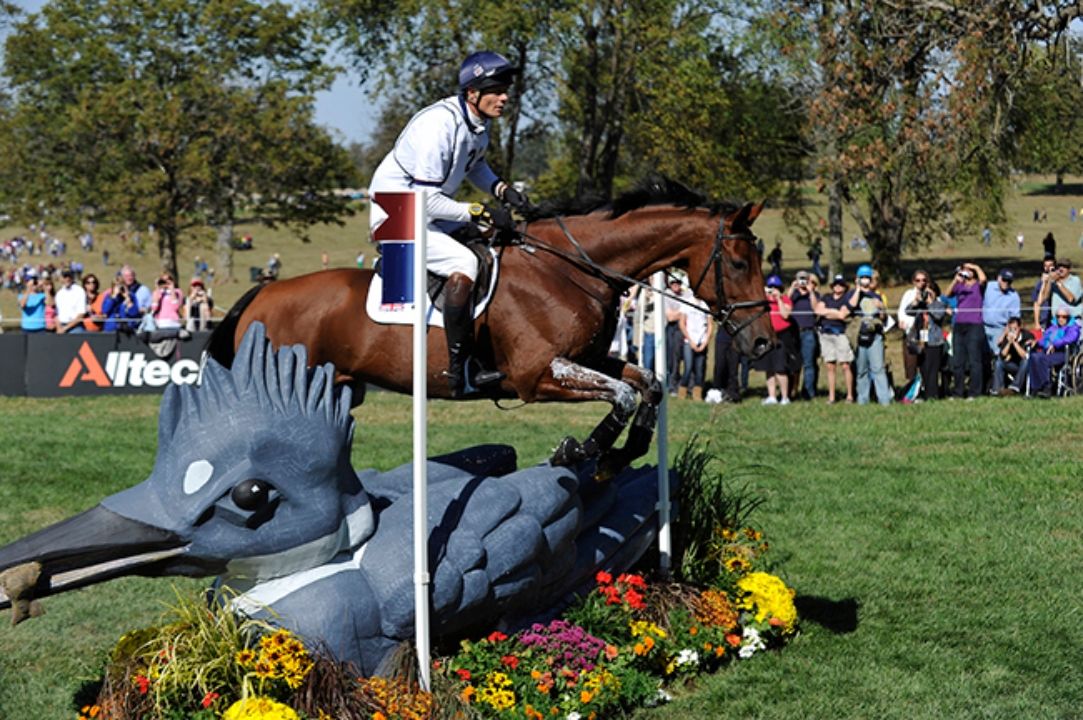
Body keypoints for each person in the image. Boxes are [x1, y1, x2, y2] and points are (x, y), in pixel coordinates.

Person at [368, 51, 532, 397]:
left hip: (420, 210)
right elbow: (427, 202)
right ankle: (460, 369)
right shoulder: (438, 127)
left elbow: (474, 166)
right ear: (473, 93)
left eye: (506, 90)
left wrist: (502, 190)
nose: (505, 97)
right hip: (396, 214)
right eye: (497, 90)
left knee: (494, 244)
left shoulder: (475, 123)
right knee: (465, 262)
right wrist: (480, 211)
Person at [847, 264, 891, 405]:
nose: (865, 280)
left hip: (875, 336)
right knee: (861, 370)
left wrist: (881, 308)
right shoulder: (853, 294)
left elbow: (884, 318)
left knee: (878, 369)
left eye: (867, 278)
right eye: (862, 278)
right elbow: (851, 306)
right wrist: (858, 289)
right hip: (859, 336)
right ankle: (862, 400)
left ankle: (884, 400)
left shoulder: (877, 295)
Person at [946, 262, 986, 399]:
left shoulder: (978, 285)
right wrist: (955, 279)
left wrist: (975, 267)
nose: (966, 272)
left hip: (974, 325)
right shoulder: (960, 285)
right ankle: (958, 392)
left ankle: (974, 392)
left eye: (968, 270)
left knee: (974, 360)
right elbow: (947, 294)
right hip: (959, 324)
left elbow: (983, 279)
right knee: (958, 360)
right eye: (964, 269)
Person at [903, 279, 949, 400]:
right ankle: (925, 393)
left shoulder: (939, 305)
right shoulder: (921, 305)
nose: (927, 294)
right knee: (923, 369)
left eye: (930, 291)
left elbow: (938, 315)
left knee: (933, 370)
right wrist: (916, 301)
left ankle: (932, 395)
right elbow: (908, 311)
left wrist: (930, 302)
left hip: (935, 342)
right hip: (922, 342)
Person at [814, 274, 855, 404]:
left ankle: (850, 395)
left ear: (845, 287)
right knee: (830, 366)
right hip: (825, 334)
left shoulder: (846, 299)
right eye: (836, 284)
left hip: (840, 334)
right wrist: (834, 313)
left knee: (845, 365)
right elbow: (818, 310)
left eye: (841, 284)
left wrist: (827, 312)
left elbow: (842, 315)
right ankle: (831, 397)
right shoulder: (826, 297)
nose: (838, 287)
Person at [756, 274, 794, 405]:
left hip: (781, 336)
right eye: (770, 287)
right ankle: (771, 396)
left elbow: (785, 315)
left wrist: (778, 300)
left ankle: (784, 397)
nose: (773, 289)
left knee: (780, 368)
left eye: (776, 287)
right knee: (769, 367)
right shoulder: (764, 300)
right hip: (766, 336)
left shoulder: (785, 300)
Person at [1026, 309, 1080, 398]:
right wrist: (1037, 342)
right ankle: (1035, 388)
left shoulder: (1073, 328)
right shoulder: (1052, 328)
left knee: (1042, 359)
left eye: (1064, 317)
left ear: (1068, 318)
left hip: (1063, 353)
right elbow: (1044, 340)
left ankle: (1046, 387)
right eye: (1058, 316)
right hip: (1048, 352)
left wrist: (1055, 344)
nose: (1060, 319)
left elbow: (1070, 339)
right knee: (1034, 357)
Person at [788, 270, 820, 399]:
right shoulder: (794, 294)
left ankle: (808, 392)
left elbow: (816, 309)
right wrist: (791, 288)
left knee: (809, 363)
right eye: (800, 279)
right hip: (794, 332)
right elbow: (785, 303)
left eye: (805, 279)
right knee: (794, 364)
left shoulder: (814, 294)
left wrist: (810, 291)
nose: (802, 282)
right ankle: (792, 390)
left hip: (808, 332)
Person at [896, 270, 930, 384]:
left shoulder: (930, 293)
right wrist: (902, 322)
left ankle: (925, 389)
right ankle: (912, 391)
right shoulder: (909, 294)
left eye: (924, 280)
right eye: (918, 280)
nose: (921, 283)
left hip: (925, 332)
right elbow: (902, 310)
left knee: (924, 362)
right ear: (913, 282)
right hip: (911, 333)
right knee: (911, 364)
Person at [676, 296, 712, 401]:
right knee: (688, 367)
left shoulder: (705, 305)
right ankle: (682, 391)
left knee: (700, 369)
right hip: (689, 341)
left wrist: (705, 342)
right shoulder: (687, 302)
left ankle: (697, 394)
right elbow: (682, 323)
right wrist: (690, 340)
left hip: (702, 341)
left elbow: (710, 325)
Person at [982, 268, 1020, 356]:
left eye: (1009, 281)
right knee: (982, 355)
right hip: (984, 327)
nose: (1006, 283)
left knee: (997, 355)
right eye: (1004, 280)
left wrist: (1004, 334)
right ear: (999, 278)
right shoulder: (989, 287)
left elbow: (1014, 320)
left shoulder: (1014, 296)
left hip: (1000, 329)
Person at [993, 317, 1033, 396]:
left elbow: (1025, 356)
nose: (1013, 331)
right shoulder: (1007, 337)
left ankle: (1014, 387)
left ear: (1019, 328)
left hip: (1025, 366)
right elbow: (1003, 355)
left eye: (1015, 329)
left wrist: (1015, 343)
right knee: (999, 363)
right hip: (1013, 365)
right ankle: (998, 389)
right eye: (1011, 329)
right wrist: (1009, 343)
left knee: (1025, 361)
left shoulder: (1027, 335)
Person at [663, 274, 688, 395]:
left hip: (687, 328)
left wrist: (680, 314)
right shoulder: (667, 294)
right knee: (673, 358)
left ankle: (687, 384)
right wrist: (684, 312)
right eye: (673, 283)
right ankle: (672, 385)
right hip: (673, 329)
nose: (675, 285)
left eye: (677, 282)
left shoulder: (686, 294)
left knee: (687, 357)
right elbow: (670, 317)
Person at [1038, 258, 1082, 322]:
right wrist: (1048, 281)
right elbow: (1045, 297)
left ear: (1069, 269)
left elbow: (1071, 299)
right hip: (1057, 320)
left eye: (1064, 267)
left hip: (1073, 320)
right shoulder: (1053, 282)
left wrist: (1058, 281)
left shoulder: (1075, 280)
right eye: (1059, 267)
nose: (1061, 269)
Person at [54, 269, 87, 334]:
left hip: (75, 328)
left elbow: (81, 314)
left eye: (69, 276)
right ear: (61, 278)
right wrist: (59, 328)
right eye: (64, 276)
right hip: (61, 326)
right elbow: (57, 314)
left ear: (72, 277)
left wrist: (65, 328)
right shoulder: (59, 293)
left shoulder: (79, 291)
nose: (67, 279)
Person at [1032, 255, 1056, 329]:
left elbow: (1047, 295)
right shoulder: (1040, 283)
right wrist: (1037, 322)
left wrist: (1050, 280)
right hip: (1044, 320)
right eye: (1046, 266)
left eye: (1050, 266)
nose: (1048, 268)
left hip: (1056, 319)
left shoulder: (1058, 282)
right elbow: (1037, 303)